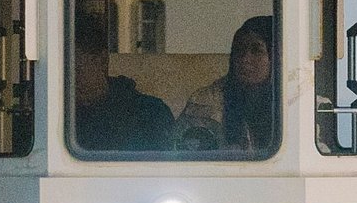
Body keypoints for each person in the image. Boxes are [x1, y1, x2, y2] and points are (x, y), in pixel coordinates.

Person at [73, 17, 175, 154]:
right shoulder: (50, 116)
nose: (67, 82)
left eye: (75, 69)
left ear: (102, 61)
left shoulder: (151, 113)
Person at [179, 16, 275, 154]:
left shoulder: (296, 102)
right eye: (239, 50)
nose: (245, 59)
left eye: (256, 51)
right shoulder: (204, 101)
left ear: (275, 56)